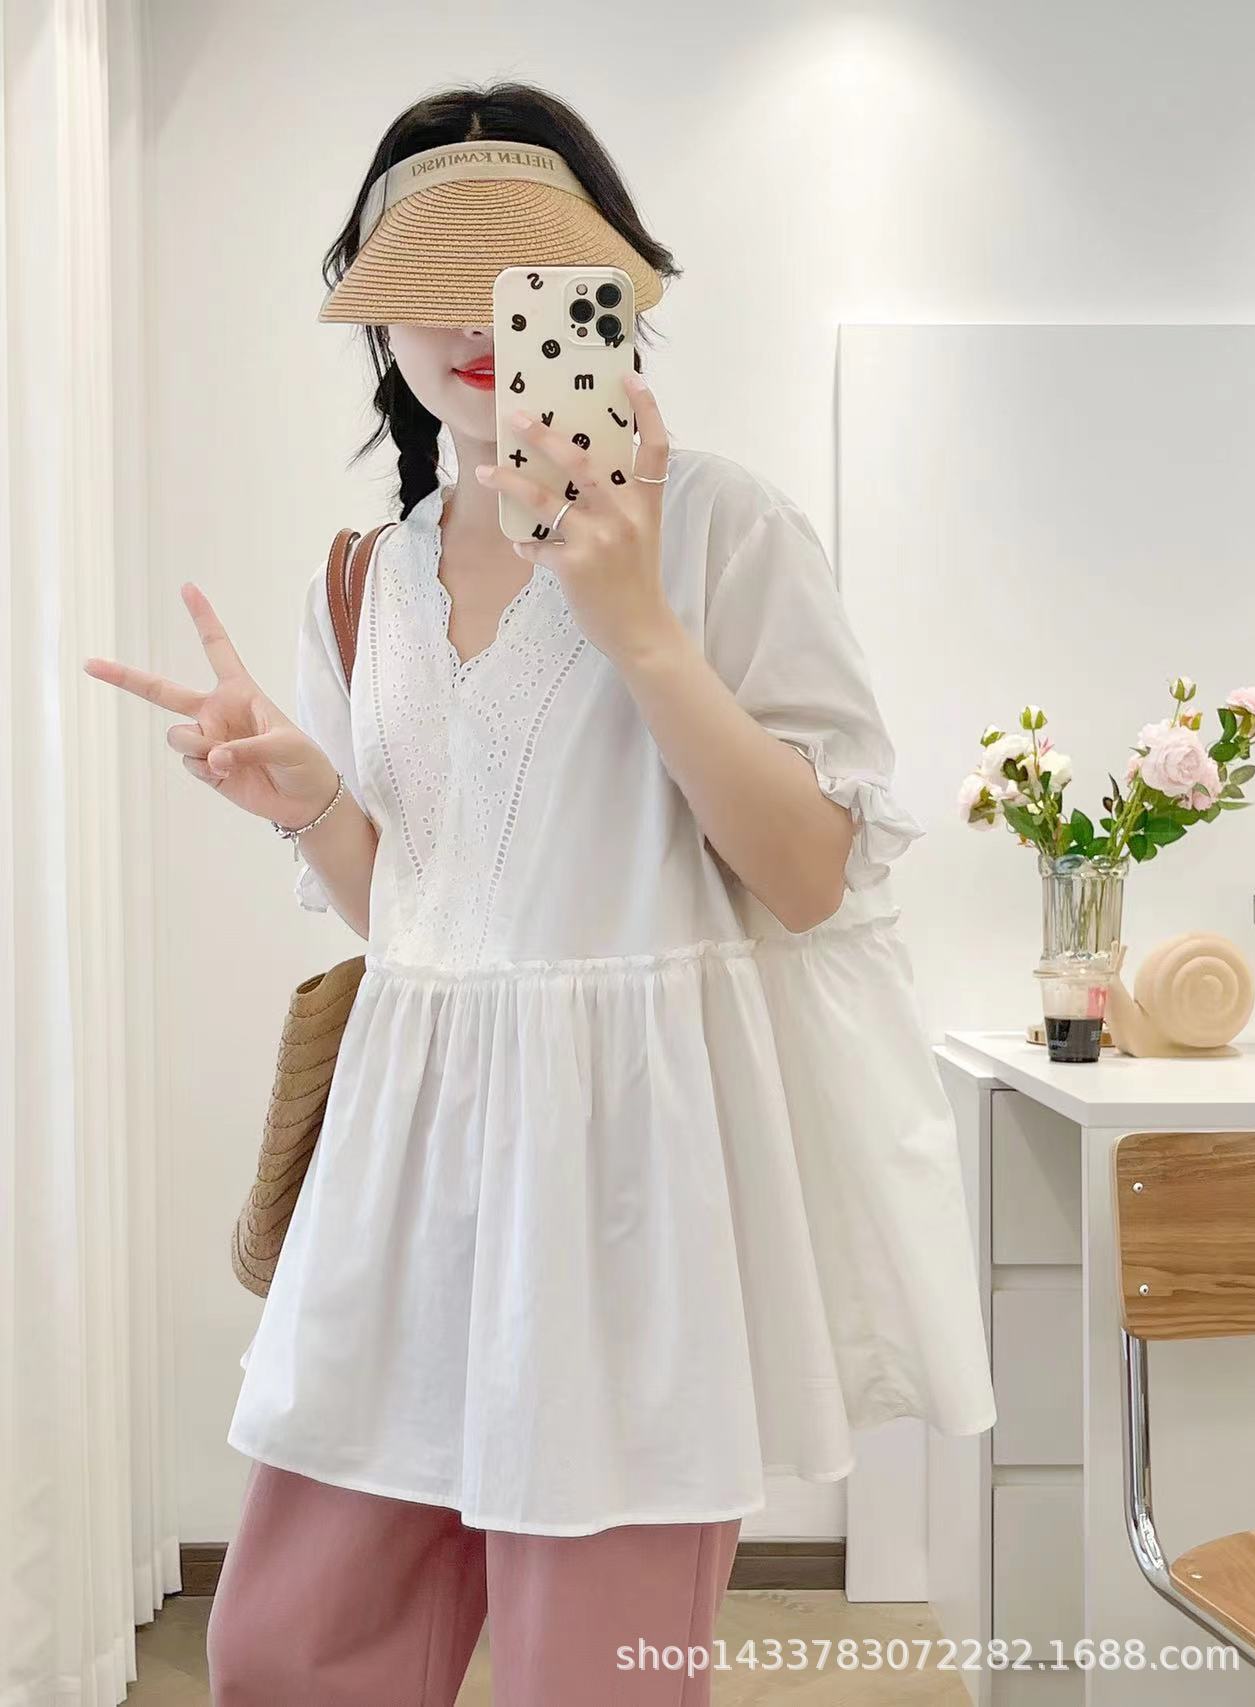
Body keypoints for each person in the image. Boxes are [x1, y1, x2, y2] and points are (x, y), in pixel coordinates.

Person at [85, 81, 995, 1707]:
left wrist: (635, 616)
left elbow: (806, 879)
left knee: (596, 1676)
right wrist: (314, 806)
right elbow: (428, 920)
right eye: (424, 279)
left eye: (515, 274)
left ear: (601, 296)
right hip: (402, 1176)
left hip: (629, 1192)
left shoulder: (721, 529)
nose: (471, 321)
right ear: (373, 318)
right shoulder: (363, 578)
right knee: (284, 1649)